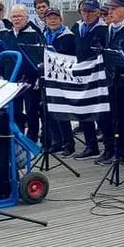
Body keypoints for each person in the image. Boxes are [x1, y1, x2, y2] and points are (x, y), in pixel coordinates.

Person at [96, 0, 124, 166]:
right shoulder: (110, 29)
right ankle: (121, 152)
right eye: (109, 9)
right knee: (117, 119)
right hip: (114, 80)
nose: (110, 12)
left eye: (114, 9)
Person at [71, 0, 109, 159]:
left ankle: (109, 147)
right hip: (80, 73)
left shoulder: (103, 29)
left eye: (91, 11)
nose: (87, 14)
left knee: (100, 114)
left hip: (96, 76)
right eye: (84, 11)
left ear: (98, 12)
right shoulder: (76, 27)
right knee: (83, 111)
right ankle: (90, 145)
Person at [41, 8, 77, 156]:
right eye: (49, 18)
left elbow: (73, 57)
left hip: (63, 76)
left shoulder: (68, 36)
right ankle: (56, 142)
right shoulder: (44, 35)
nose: (52, 20)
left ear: (60, 19)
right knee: (49, 111)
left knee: (62, 111)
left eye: (55, 18)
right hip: (47, 76)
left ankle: (68, 143)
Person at [9, 4, 45, 143]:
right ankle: (18, 136)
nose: (16, 19)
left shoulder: (34, 34)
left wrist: (38, 79)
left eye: (19, 16)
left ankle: (32, 137)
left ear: (26, 18)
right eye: (14, 17)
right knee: (16, 110)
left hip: (30, 78)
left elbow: (40, 57)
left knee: (31, 110)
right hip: (13, 79)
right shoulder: (8, 34)